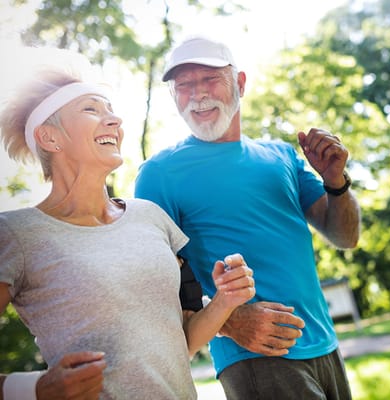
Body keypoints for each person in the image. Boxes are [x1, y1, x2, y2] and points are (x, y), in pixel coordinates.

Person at [0, 53, 256, 400]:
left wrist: (225, 300)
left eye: (111, 110)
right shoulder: (17, 234)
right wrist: (35, 389)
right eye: (92, 109)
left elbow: (182, 342)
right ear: (49, 137)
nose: (115, 120)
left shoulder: (149, 216)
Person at [134, 35, 361, 399]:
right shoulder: (159, 173)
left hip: (325, 344)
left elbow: (345, 236)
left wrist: (335, 182)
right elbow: (152, 279)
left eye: (209, 79)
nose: (197, 94)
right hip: (256, 354)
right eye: (184, 85)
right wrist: (229, 320)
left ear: (240, 83)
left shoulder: (281, 156)